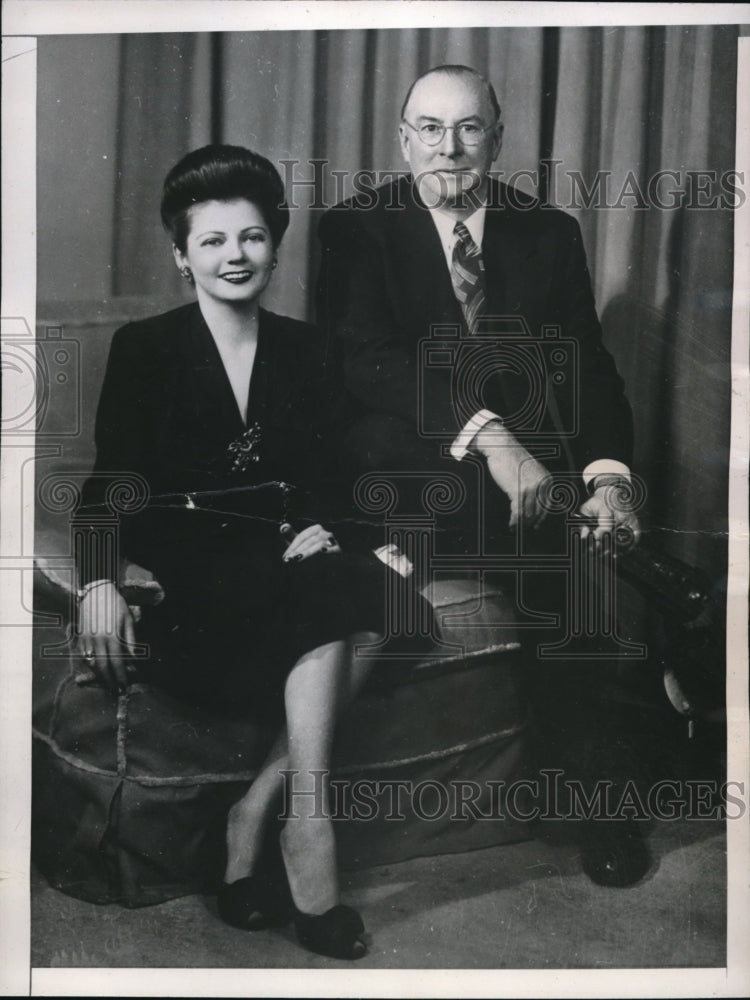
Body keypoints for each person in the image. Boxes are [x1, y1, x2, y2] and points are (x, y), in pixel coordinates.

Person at [74, 144, 414, 959]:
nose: (236, 255)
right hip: (194, 571)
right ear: (182, 256)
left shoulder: (309, 348)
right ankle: (306, 827)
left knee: (384, 590)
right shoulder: (145, 347)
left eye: (253, 237)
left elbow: (330, 476)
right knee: (339, 593)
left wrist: (328, 526)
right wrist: (98, 582)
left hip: (285, 557)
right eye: (214, 240)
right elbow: (110, 483)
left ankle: (267, 811)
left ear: (275, 245)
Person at [317, 65, 649, 887]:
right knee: (540, 539)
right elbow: (370, 365)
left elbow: (586, 367)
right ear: (403, 141)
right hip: (403, 473)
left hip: (516, 492)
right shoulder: (356, 229)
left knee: (571, 584)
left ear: (497, 140)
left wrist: (609, 479)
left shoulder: (548, 233)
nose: (450, 148)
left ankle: (595, 806)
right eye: (430, 129)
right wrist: (494, 439)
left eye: (469, 128)